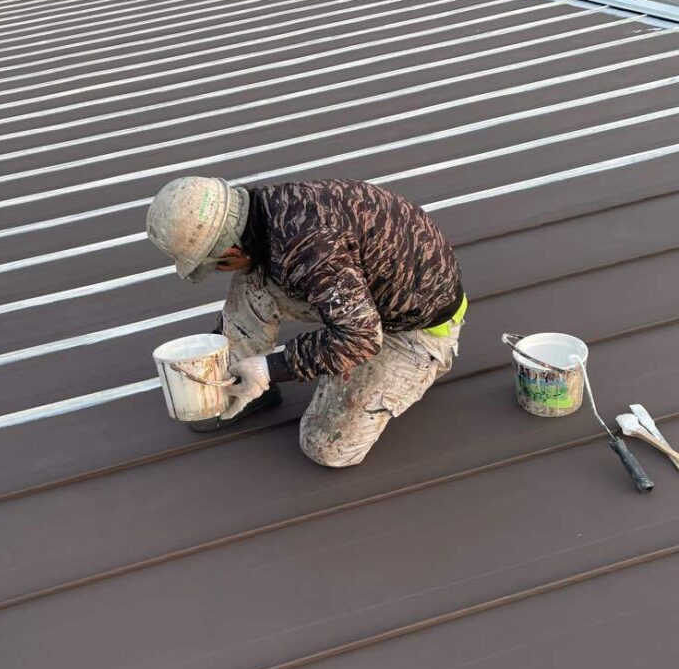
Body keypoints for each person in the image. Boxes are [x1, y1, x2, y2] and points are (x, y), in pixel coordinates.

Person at [146, 176, 467, 468]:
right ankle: (237, 384)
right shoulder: (267, 210)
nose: (218, 272)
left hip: (414, 329)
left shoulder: (308, 252)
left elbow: (363, 338)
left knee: (326, 447)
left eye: (215, 266)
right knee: (254, 281)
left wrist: (272, 367)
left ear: (230, 251)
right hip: (366, 292)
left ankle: (418, 369)